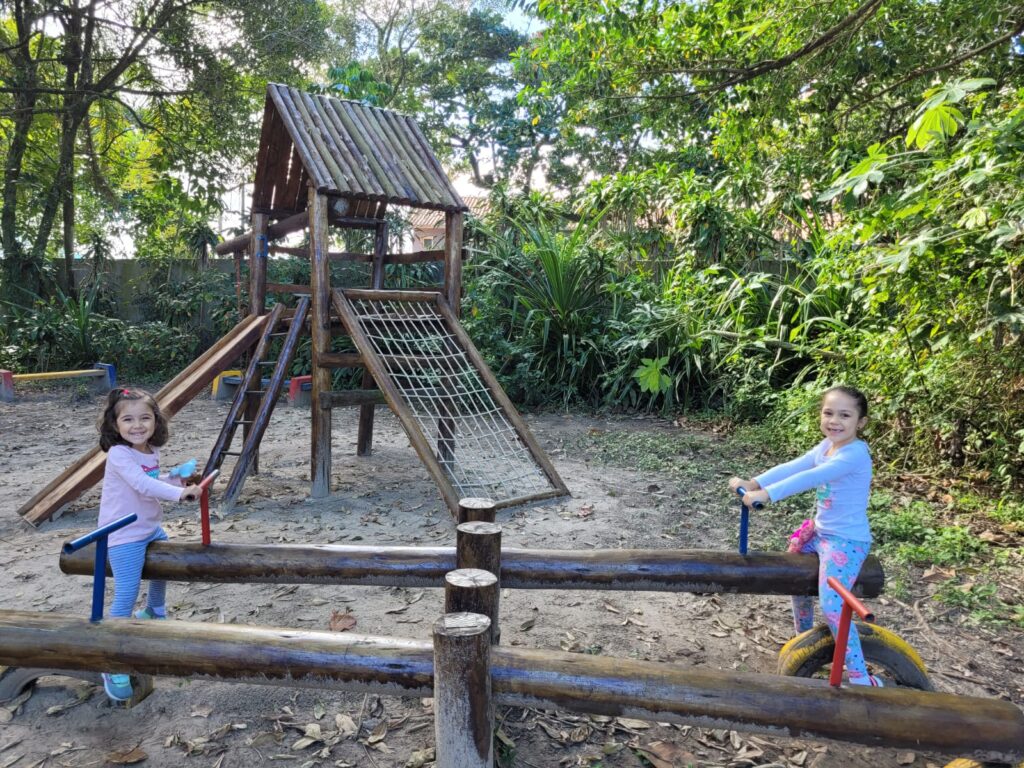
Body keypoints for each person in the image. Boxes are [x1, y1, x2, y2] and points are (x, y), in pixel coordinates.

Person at [728, 386, 881, 686]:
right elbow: (796, 466)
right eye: (828, 413)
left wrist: (767, 495)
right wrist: (755, 481)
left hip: (845, 541)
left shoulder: (855, 454)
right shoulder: (826, 446)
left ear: (861, 422)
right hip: (821, 533)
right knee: (796, 582)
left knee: (833, 604)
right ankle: (805, 640)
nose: (834, 421)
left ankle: (860, 676)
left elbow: (811, 478)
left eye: (845, 415)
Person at [96, 388, 200, 702]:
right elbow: (141, 483)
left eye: (145, 417)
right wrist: (179, 495)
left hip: (148, 528)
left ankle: (154, 610)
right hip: (123, 532)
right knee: (126, 593)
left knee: (162, 569)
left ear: (156, 421)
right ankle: (111, 657)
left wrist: (174, 481)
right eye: (128, 419)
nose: (137, 425)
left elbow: (152, 482)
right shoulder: (119, 454)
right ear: (115, 426)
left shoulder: (149, 450)